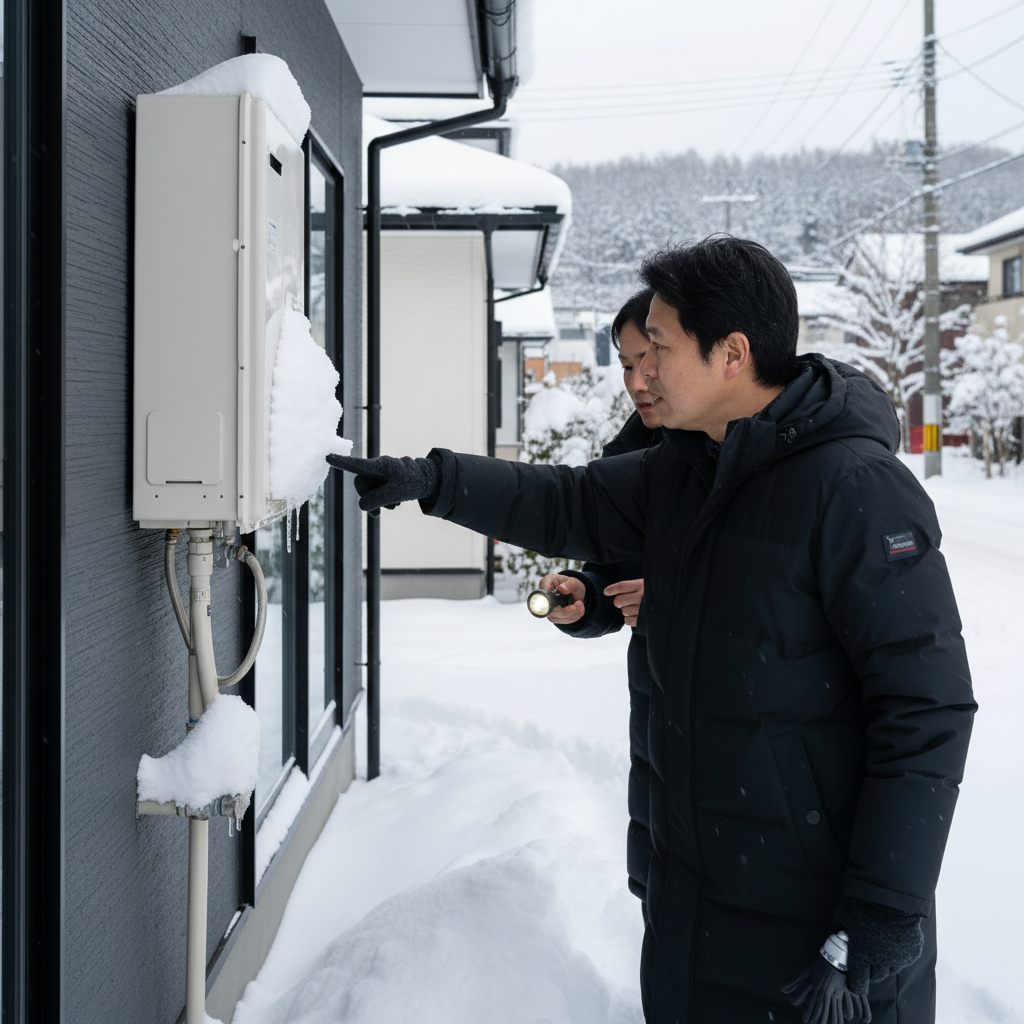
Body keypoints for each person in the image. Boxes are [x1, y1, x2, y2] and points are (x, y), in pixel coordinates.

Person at [329, 237, 975, 1024]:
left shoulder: (855, 491)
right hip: (694, 892)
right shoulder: (685, 468)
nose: (641, 374)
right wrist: (430, 481)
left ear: (731, 353)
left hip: (816, 930)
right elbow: (564, 501)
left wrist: (883, 905)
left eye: (658, 349)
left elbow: (925, 705)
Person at [542, 287, 662, 922]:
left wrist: (676, 600)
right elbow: (618, 580)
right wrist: (588, 598)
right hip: (665, 744)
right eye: (624, 361)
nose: (636, 380)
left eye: (651, 357)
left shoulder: (766, 461)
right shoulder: (630, 460)